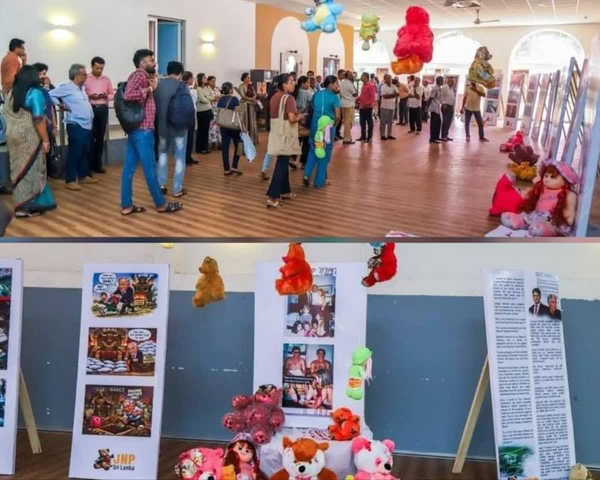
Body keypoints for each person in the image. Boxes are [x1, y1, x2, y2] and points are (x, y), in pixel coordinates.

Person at [121, 49, 183, 215]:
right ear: (142, 63)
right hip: (143, 130)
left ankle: (127, 205)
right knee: (150, 168)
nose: (154, 62)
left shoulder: (142, 76)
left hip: (137, 130)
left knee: (129, 169)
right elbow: (128, 95)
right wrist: (149, 89)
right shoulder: (139, 75)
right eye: (150, 60)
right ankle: (161, 204)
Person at [4, 66, 57, 217]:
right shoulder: (35, 92)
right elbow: (38, 119)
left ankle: (22, 203)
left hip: (13, 136)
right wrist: (45, 140)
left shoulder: (11, 93)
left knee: (18, 169)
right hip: (30, 138)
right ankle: (25, 207)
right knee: (32, 169)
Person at [50, 63, 98, 190]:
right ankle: (70, 180)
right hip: (76, 124)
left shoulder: (81, 88)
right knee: (75, 152)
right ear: (76, 75)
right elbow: (49, 95)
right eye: (84, 75)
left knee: (85, 151)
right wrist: (60, 104)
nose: (86, 77)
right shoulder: (67, 87)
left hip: (87, 124)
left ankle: (83, 175)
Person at [266, 74, 303, 209]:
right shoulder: (289, 98)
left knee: (283, 160)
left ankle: (285, 191)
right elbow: (292, 118)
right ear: (283, 84)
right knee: (281, 164)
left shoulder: (274, 97)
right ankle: (272, 196)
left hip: (277, 133)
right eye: (291, 82)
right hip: (286, 134)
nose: (293, 84)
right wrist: (300, 117)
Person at [154, 61, 188, 198]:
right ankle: (177, 188)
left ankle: (161, 184)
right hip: (179, 127)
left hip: (162, 126)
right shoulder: (182, 86)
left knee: (162, 154)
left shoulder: (158, 85)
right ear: (180, 73)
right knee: (179, 157)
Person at [303, 75, 341, 188]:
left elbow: (312, 108)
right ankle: (319, 181)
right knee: (324, 154)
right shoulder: (335, 98)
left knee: (313, 150)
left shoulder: (317, 94)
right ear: (330, 84)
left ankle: (306, 174)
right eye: (336, 83)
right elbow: (338, 116)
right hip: (327, 130)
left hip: (315, 127)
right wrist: (333, 125)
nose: (338, 86)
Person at [85, 57, 114, 175]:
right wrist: (90, 96)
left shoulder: (106, 79)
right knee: (89, 137)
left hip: (102, 108)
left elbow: (112, 94)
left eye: (101, 68)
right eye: (97, 68)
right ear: (92, 66)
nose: (99, 70)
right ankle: (88, 166)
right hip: (90, 108)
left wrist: (106, 96)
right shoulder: (86, 78)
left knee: (100, 137)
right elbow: (81, 93)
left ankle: (98, 164)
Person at [32, 63, 58, 171]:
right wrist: (46, 86)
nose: (44, 76)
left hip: (49, 126)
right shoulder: (33, 90)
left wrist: (54, 126)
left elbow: (51, 107)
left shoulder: (46, 89)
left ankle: (49, 173)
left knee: (48, 151)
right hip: (38, 126)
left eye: (45, 73)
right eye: (42, 74)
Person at [217, 82, 243, 176]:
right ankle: (234, 166)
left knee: (225, 147)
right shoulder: (234, 99)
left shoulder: (220, 99)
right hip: (233, 126)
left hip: (223, 125)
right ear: (230, 89)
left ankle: (226, 169)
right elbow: (238, 111)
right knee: (239, 145)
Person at [294, 75, 313, 167]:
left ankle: (293, 158)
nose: (309, 84)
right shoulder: (308, 92)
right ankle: (304, 162)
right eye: (307, 83)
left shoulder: (295, 91)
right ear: (302, 83)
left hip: (295, 115)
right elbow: (313, 99)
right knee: (306, 140)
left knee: (296, 139)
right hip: (304, 116)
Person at [182, 71, 199, 165]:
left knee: (191, 137)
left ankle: (188, 156)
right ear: (188, 79)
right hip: (187, 115)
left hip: (192, 114)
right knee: (187, 137)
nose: (193, 80)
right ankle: (185, 157)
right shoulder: (185, 89)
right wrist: (195, 89)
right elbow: (193, 100)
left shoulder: (190, 88)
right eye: (192, 78)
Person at [237, 72, 258, 145]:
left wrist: (254, 97)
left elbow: (255, 93)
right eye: (248, 77)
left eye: (249, 77)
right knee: (246, 121)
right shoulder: (241, 86)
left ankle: (253, 139)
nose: (249, 79)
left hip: (252, 105)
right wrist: (250, 99)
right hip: (245, 105)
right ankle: (246, 139)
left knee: (252, 121)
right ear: (244, 78)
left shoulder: (250, 85)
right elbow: (243, 96)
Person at [195, 73, 213, 154]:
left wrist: (208, 98)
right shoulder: (198, 88)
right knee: (201, 130)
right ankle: (200, 148)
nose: (206, 79)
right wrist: (210, 99)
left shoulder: (207, 87)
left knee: (206, 130)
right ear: (200, 79)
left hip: (208, 110)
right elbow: (202, 99)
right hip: (201, 111)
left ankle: (205, 147)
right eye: (204, 78)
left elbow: (213, 95)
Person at [340, 71, 357, 144]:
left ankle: (348, 137)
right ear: (347, 76)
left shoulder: (342, 83)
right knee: (349, 123)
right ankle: (346, 139)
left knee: (347, 122)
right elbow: (355, 94)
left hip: (344, 104)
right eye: (351, 75)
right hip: (349, 105)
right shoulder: (350, 84)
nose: (352, 76)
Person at [357, 72, 375, 143]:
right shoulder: (363, 86)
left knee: (369, 122)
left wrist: (367, 103)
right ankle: (363, 136)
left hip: (368, 107)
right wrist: (357, 99)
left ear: (365, 77)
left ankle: (369, 137)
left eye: (362, 76)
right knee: (362, 122)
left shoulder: (370, 85)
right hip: (362, 107)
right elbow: (362, 95)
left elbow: (372, 96)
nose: (361, 77)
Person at [379, 74, 398, 141]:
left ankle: (389, 135)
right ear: (384, 79)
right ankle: (382, 135)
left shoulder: (394, 86)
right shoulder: (383, 86)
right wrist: (393, 95)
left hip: (392, 106)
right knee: (383, 122)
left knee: (390, 122)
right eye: (387, 78)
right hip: (384, 106)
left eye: (390, 78)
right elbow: (385, 96)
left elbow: (397, 94)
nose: (389, 79)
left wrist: (391, 95)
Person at [207, 76, 222, 151]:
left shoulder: (217, 89)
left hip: (218, 110)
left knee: (218, 127)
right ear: (208, 81)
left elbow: (220, 97)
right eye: (212, 81)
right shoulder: (207, 89)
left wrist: (217, 97)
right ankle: (212, 143)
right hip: (211, 109)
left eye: (215, 81)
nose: (214, 82)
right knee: (211, 127)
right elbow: (209, 98)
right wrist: (216, 98)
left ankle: (219, 142)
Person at [428, 76, 444, 145]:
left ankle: (436, 137)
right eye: (442, 80)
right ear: (439, 81)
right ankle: (432, 138)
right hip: (434, 108)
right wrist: (427, 107)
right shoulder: (435, 89)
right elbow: (431, 98)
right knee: (433, 124)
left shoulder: (439, 88)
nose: (443, 81)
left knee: (438, 123)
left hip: (437, 108)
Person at [441, 77, 456, 142]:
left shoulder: (452, 88)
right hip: (446, 106)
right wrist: (443, 103)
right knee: (445, 121)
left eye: (454, 82)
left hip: (451, 106)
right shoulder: (444, 87)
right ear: (448, 81)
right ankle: (443, 136)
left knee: (449, 122)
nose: (453, 83)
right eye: (452, 82)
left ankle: (446, 135)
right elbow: (441, 96)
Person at [334, 69, 345, 140]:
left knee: (340, 119)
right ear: (339, 74)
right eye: (343, 74)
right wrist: (340, 91)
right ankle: (334, 134)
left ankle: (338, 133)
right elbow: (335, 91)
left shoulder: (342, 82)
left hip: (341, 102)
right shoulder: (336, 81)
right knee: (336, 118)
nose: (344, 75)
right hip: (336, 101)